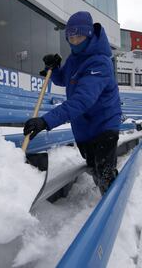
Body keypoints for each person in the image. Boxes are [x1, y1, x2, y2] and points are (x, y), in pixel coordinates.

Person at [23, 11, 122, 195]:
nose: (75, 41)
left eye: (79, 36)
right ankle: (104, 191)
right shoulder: (74, 59)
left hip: (104, 124)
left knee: (104, 172)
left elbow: (82, 100)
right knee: (93, 167)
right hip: (84, 127)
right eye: (71, 37)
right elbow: (64, 79)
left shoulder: (99, 63)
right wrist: (52, 68)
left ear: (89, 35)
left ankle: (111, 208)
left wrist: (46, 121)